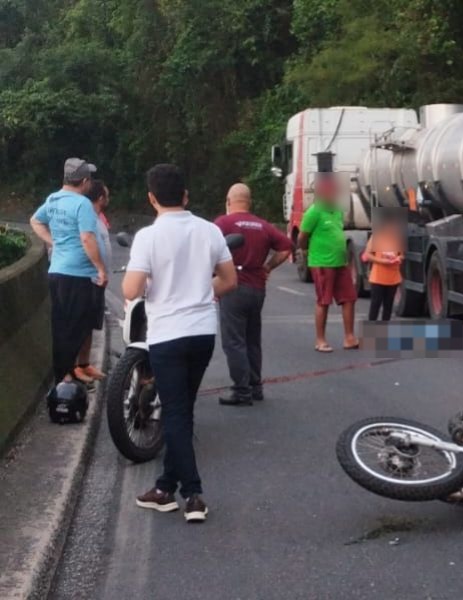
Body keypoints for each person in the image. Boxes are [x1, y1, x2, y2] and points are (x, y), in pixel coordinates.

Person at [123, 164, 238, 523]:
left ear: (151, 198)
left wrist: (153, 286)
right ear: (186, 196)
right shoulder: (210, 230)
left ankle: (193, 495)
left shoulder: (147, 236)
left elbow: (129, 290)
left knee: (175, 413)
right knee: (182, 410)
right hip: (203, 333)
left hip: (167, 335)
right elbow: (229, 280)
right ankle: (163, 488)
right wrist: (202, 294)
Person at [214, 183, 292, 406]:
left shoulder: (223, 223)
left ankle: (241, 390)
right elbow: (286, 247)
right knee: (251, 339)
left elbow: (206, 249)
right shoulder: (263, 225)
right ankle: (255, 386)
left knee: (234, 341)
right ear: (249, 202)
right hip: (257, 288)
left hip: (232, 286)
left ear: (229, 202)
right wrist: (268, 267)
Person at [30, 158, 106, 385]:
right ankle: (66, 376)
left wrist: (53, 242)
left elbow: (35, 220)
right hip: (78, 275)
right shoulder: (81, 204)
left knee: (62, 324)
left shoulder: (53, 199)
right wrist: (100, 268)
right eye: (89, 179)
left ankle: (64, 376)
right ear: (83, 181)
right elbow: (87, 237)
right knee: (77, 326)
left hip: (57, 272)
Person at [297, 175, 359, 352]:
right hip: (322, 263)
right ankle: (320, 340)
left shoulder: (337, 211)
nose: (334, 194)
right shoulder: (314, 212)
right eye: (331, 191)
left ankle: (349, 337)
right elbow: (302, 237)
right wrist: (307, 252)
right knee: (324, 301)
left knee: (349, 298)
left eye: (335, 191)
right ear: (322, 193)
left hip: (340, 262)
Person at [73, 179, 112, 383]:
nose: (109, 198)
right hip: (87, 278)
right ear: (100, 198)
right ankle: (75, 367)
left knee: (90, 325)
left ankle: (84, 364)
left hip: (98, 279)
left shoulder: (99, 218)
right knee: (80, 324)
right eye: (107, 195)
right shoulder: (87, 219)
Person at [362, 219, 404, 321]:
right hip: (378, 278)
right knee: (375, 305)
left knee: (388, 307)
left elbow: (401, 254)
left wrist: (399, 258)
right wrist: (382, 261)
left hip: (393, 278)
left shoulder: (397, 238)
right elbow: (367, 255)